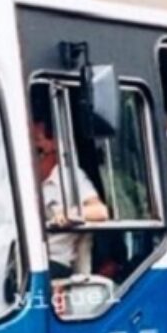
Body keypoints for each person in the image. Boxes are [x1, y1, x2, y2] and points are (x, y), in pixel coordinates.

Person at [34, 115, 109, 279]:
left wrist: (69, 215)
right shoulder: (19, 181)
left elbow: (100, 211)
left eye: (37, 148)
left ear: (54, 145)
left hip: (52, 262)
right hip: (16, 258)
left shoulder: (70, 177)